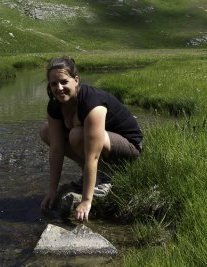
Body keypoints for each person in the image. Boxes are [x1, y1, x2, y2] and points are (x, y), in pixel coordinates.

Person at [39, 56, 143, 222]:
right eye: (53, 84)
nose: (59, 88)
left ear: (76, 80)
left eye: (64, 82)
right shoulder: (55, 105)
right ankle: (92, 175)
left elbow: (92, 156)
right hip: (99, 145)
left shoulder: (92, 103)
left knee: (76, 135)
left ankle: (104, 177)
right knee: (46, 131)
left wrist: (86, 200)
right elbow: (57, 149)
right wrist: (52, 190)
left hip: (128, 147)